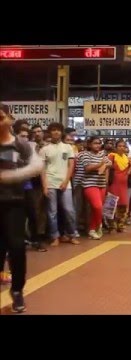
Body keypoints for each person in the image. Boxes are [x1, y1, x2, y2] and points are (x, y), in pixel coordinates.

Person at [0, 104, 44, 312]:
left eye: (1, 117)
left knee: (16, 247)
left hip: (14, 202)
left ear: (10, 118)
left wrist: (10, 176)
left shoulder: (21, 145)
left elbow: (36, 166)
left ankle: (17, 291)